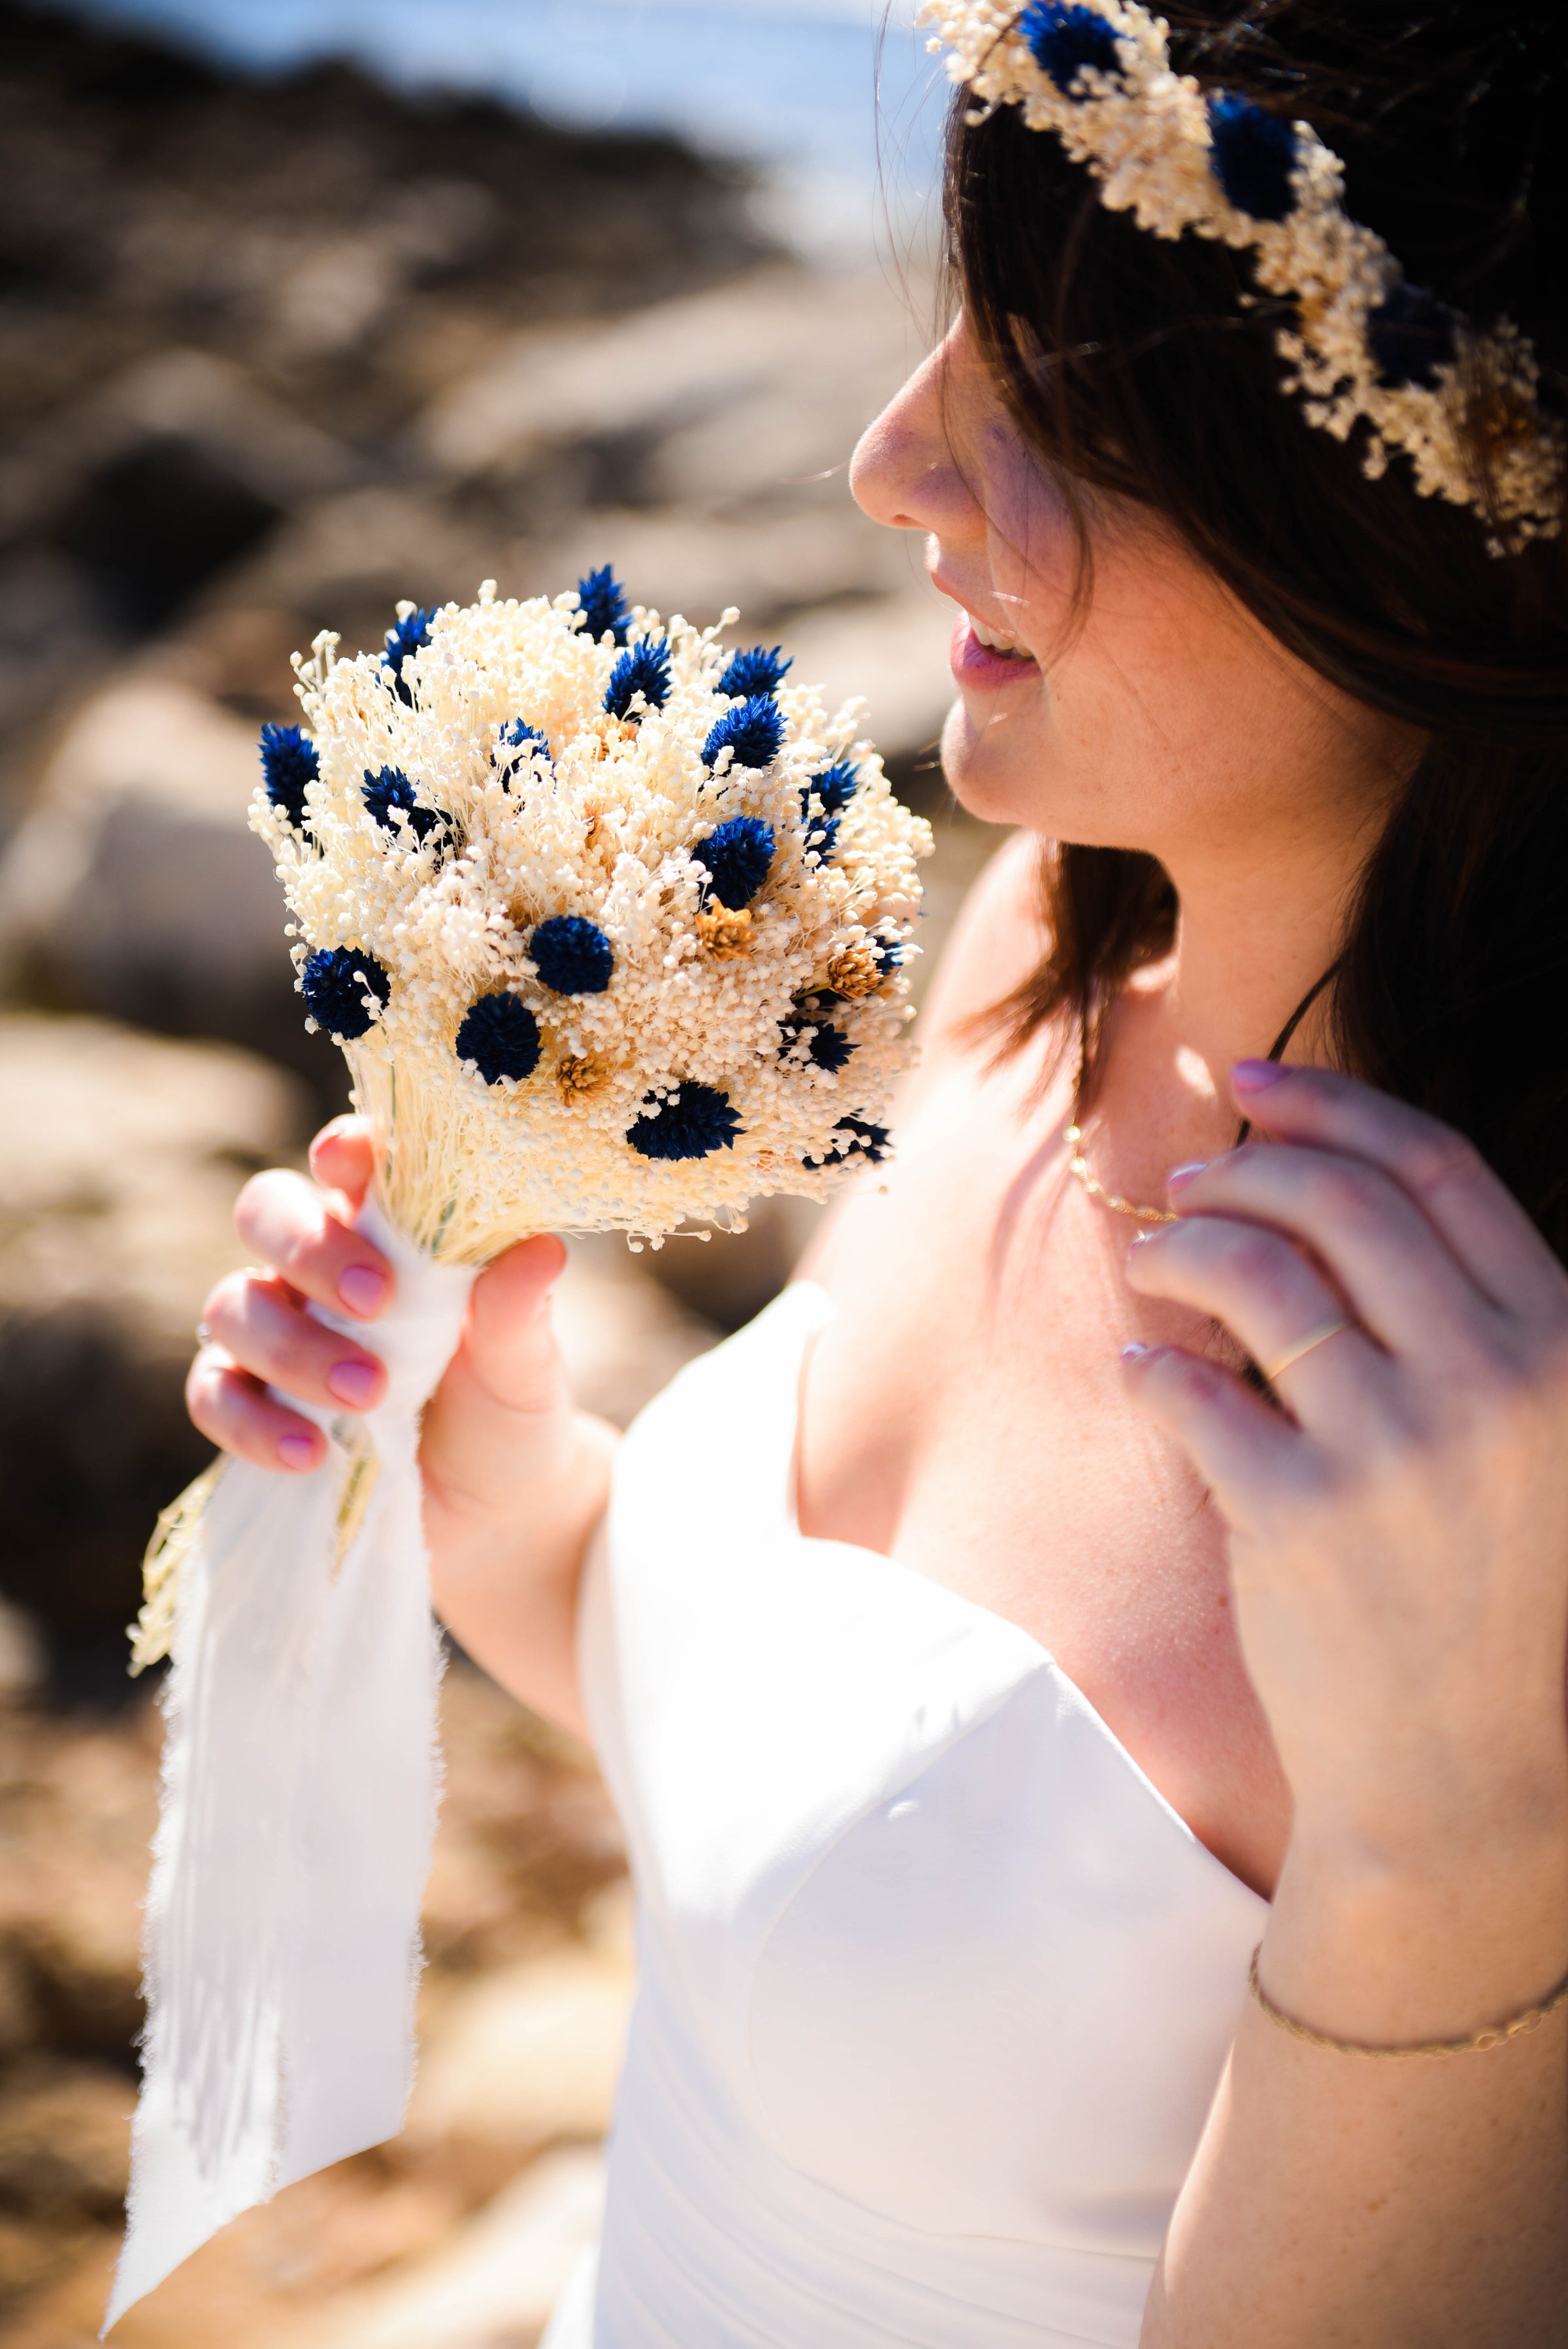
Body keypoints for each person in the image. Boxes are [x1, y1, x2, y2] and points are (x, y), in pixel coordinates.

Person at [187, 3, 1568, 2340]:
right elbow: (802, 1800)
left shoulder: (1512, 1464)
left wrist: (1462, 1874)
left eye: (1067, 397)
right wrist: (491, 1469)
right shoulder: (1048, 939)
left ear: (1416, 519)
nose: (890, 460)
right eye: (951, 329)